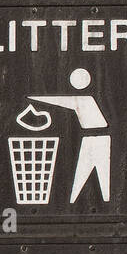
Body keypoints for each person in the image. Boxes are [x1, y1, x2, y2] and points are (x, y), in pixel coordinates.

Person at [28, 68, 110, 203]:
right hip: (93, 138)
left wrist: (36, 98)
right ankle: (79, 199)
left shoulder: (85, 100)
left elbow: (63, 101)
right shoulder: (86, 100)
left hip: (96, 139)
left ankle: (93, 200)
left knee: (90, 173)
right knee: (85, 174)